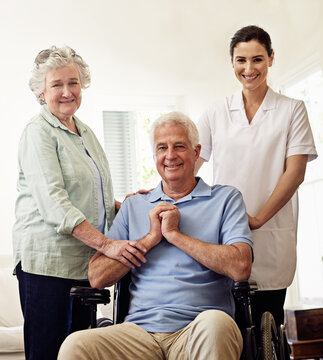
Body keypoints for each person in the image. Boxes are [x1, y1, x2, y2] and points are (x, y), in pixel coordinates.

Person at [58, 112, 253, 360]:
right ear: (154, 156)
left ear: (196, 152)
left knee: (215, 323)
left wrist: (175, 235)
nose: (170, 155)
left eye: (179, 146)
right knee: (75, 345)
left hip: (199, 329)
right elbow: (97, 277)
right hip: (139, 333)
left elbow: (240, 267)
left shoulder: (226, 199)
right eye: (162, 148)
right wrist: (150, 238)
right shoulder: (134, 206)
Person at [13, 45, 147, 360]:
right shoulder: (38, 132)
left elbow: (90, 195)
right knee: (48, 353)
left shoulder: (83, 132)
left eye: (73, 82)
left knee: (78, 352)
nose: (66, 91)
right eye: (56, 84)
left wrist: (122, 205)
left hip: (83, 264)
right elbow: (55, 204)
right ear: (41, 92)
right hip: (49, 265)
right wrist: (108, 245)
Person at [195, 25, 318, 328]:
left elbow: (295, 171)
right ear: (232, 62)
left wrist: (259, 218)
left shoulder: (292, 110)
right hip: (226, 234)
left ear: (271, 59)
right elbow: (188, 163)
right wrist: (152, 192)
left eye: (258, 59)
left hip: (273, 231)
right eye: (241, 60)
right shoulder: (216, 112)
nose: (249, 69)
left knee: (268, 326)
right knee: (230, 327)